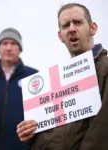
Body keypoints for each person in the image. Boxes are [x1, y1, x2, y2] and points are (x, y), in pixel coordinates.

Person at [17, 3, 108, 150]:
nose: (71, 29)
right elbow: (61, 137)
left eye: (78, 22)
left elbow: (101, 134)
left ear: (93, 28)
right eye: (66, 25)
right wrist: (32, 135)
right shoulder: (56, 80)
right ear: (60, 36)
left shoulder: (105, 69)